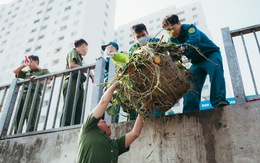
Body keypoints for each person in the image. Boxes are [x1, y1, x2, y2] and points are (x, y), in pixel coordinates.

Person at [162, 14, 229, 113]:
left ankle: (219, 101)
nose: (171, 32)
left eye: (172, 28)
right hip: (196, 63)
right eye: (168, 30)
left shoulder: (190, 28)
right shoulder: (171, 41)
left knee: (215, 70)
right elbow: (174, 59)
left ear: (179, 23)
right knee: (190, 84)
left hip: (210, 55)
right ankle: (190, 111)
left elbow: (194, 42)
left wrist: (180, 48)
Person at [77, 82, 144, 163]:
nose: (108, 125)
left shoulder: (114, 145)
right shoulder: (88, 129)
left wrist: (143, 108)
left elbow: (135, 133)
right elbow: (103, 102)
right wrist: (115, 85)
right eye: (104, 122)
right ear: (97, 124)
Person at [13, 55, 50, 133]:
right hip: (23, 94)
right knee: (18, 117)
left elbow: (48, 82)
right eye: (28, 62)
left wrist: (36, 80)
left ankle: (29, 134)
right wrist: (24, 65)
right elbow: (15, 72)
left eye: (31, 62)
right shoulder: (27, 72)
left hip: (34, 94)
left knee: (31, 116)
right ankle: (15, 134)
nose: (29, 64)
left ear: (36, 61)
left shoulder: (43, 71)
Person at [60, 39, 91, 126]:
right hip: (72, 81)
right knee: (69, 107)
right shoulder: (73, 52)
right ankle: (64, 127)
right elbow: (72, 65)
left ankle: (75, 127)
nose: (86, 51)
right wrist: (88, 71)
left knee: (79, 109)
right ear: (83, 46)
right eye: (86, 48)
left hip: (79, 83)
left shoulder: (80, 58)